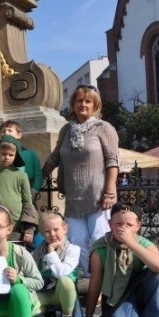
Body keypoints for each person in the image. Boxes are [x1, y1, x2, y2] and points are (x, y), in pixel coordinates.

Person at [42, 85, 119, 276]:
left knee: (100, 240)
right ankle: (93, 278)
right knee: (77, 244)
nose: (83, 104)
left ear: (95, 105)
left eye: (88, 101)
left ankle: (106, 281)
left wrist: (110, 191)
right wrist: (35, 179)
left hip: (98, 196)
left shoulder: (104, 128)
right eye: (79, 101)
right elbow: (55, 157)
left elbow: (112, 161)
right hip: (73, 197)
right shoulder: (66, 129)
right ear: (73, 104)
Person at [87, 203, 159, 317]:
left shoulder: (143, 243)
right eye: (119, 224)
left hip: (142, 290)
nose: (123, 228)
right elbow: (95, 283)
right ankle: (128, 316)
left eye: (129, 225)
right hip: (117, 296)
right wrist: (89, 315)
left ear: (138, 226)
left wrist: (130, 242)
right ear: (110, 224)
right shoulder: (100, 248)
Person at [0, 135, 38, 245]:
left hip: (16, 227)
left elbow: (28, 204)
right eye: (4, 154)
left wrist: (29, 229)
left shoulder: (21, 176)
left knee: (15, 252)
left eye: (11, 155)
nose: (7, 157)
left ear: (15, 155)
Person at [32, 211, 81, 317]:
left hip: (62, 294)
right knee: (26, 308)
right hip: (45, 292)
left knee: (66, 280)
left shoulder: (73, 250)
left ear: (65, 229)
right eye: (47, 231)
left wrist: (51, 251)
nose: (52, 234)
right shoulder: (38, 251)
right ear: (42, 233)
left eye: (56, 229)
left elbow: (61, 273)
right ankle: (48, 312)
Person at [0, 120, 43, 194]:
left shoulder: (30, 154)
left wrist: (34, 189)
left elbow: (38, 174)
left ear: (19, 135)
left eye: (10, 130)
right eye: (3, 131)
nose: (6, 133)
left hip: (27, 190)